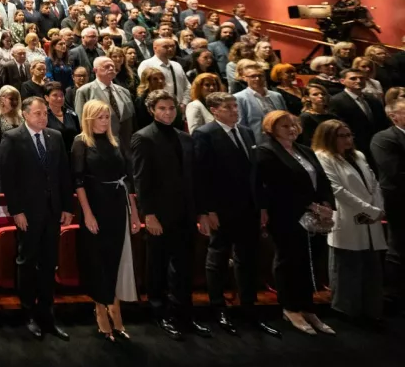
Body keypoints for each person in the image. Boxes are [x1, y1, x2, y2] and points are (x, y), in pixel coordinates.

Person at [192, 93, 280, 337]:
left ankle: (249, 307)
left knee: (248, 258)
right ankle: (218, 307)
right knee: (218, 257)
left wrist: (261, 206)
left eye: (235, 106)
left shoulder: (246, 132)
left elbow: (255, 175)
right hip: (221, 208)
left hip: (249, 208)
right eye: (228, 107)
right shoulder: (205, 134)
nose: (234, 110)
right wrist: (207, 210)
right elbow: (202, 175)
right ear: (214, 110)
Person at [131, 89, 211, 340]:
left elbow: (195, 179)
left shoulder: (184, 138)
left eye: (171, 108)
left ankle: (184, 314)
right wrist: (149, 215)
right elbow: (141, 181)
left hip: (186, 213)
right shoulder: (143, 138)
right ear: (152, 110)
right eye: (162, 108)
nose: (167, 112)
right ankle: (160, 314)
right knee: (157, 266)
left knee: (185, 266)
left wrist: (201, 213)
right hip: (160, 214)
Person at [1, 96, 74, 340]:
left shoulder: (55, 136)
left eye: (45, 113)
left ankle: (47, 313)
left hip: (53, 211)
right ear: (25, 114)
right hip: (28, 213)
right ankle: (28, 312)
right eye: (38, 113)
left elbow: (64, 174)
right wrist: (17, 210)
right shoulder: (13, 138)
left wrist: (67, 206)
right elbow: (9, 179)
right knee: (27, 261)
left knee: (49, 261)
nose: (43, 117)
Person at [258, 110, 337, 335]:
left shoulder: (305, 150)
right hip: (286, 214)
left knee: (309, 261)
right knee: (288, 260)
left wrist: (326, 204)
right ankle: (290, 308)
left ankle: (307, 307)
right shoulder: (267, 152)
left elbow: (322, 180)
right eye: (285, 126)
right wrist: (312, 206)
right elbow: (277, 187)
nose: (291, 129)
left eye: (294, 125)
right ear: (271, 130)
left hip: (314, 217)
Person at [72, 100, 139, 341]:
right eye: (100, 117)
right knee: (97, 258)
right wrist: (87, 213)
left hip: (117, 205)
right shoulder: (81, 143)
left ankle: (115, 307)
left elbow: (127, 179)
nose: (105, 121)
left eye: (107, 116)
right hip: (95, 206)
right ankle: (100, 307)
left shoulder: (116, 141)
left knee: (116, 256)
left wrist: (134, 212)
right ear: (89, 118)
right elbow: (78, 182)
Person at [313, 119, 385, 322]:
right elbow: (337, 190)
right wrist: (369, 210)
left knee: (371, 266)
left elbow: (374, 182)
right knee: (347, 266)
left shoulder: (359, 155)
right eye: (342, 136)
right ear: (329, 138)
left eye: (349, 135)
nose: (348, 139)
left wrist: (378, 209)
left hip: (371, 217)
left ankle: (371, 310)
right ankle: (346, 311)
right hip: (347, 216)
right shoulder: (323, 157)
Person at [371, 96, 405, 314]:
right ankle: (395, 296)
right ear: (393, 116)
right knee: (399, 248)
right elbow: (394, 173)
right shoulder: (384, 139)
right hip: (399, 201)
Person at [329, 69, 389, 169]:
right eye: (353, 78)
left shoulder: (372, 99)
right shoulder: (336, 100)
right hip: (354, 145)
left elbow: (382, 121)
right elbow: (339, 124)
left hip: (377, 143)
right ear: (342, 81)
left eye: (362, 78)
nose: (358, 81)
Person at [0, 84, 23, 156]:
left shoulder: (21, 115)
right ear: (2, 99)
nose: (15, 102)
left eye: (16, 99)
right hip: (4, 158)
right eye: (11, 99)